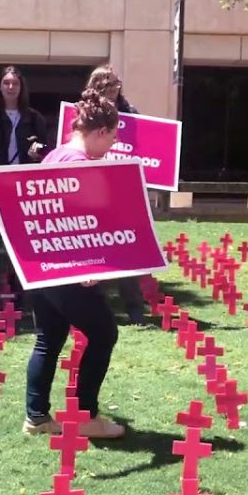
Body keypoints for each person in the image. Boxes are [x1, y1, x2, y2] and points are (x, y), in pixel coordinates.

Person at [21, 89, 126, 440]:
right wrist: (87, 268)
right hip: (69, 271)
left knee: (48, 338)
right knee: (104, 332)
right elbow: (82, 226)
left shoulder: (53, 156)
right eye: (111, 138)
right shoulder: (80, 167)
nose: (111, 146)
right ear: (99, 132)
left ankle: (36, 417)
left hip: (42, 267)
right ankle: (86, 416)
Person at [0, 66, 50, 318]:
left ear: (21, 87)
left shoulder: (33, 116)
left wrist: (38, 150)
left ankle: (19, 301)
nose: (10, 87)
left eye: (14, 83)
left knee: (22, 248)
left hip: (22, 188)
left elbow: (46, 149)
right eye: (6, 83)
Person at [85, 64, 146, 326]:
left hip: (122, 191)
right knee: (96, 248)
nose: (115, 88)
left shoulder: (130, 113)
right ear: (97, 86)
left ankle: (134, 308)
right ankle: (94, 306)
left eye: (117, 84)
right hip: (93, 189)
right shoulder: (84, 113)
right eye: (110, 84)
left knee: (126, 248)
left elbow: (143, 146)